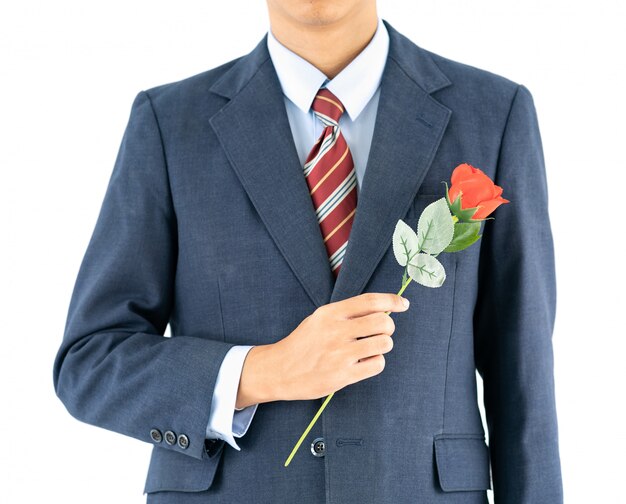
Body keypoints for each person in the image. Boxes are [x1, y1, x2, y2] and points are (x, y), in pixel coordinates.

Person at [53, 1, 563, 502]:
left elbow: (524, 377)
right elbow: (90, 362)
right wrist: (263, 371)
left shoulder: (495, 113)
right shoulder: (168, 124)